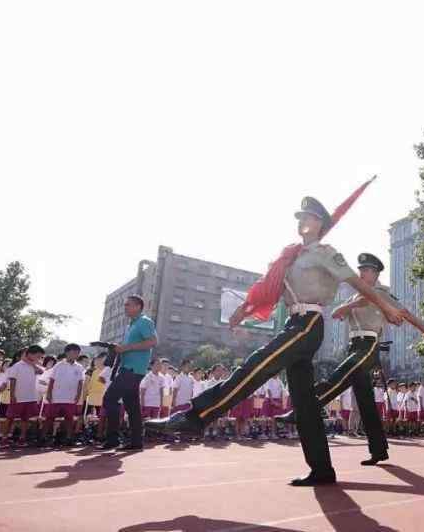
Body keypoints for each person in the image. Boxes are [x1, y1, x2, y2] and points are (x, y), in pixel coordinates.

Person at [147, 196, 405, 486]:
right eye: (299, 217)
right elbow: (268, 289)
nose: (301, 222)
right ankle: (322, 469)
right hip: (293, 321)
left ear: (320, 223)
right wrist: (243, 312)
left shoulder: (326, 252)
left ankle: (197, 416)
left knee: (258, 364)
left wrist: (386, 307)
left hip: (309, 324)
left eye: (307, 217)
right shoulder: (291, 256)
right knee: (305, 403)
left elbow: (356, 283)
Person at [276, 252, 424, 463]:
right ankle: (378, 450)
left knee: (339, 376)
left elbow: (406, 313)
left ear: (375, 274)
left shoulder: (381, 293)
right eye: (360, 270)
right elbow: (335, 314)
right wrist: (353, 305)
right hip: (354, 346)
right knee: (366, 402)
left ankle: (303, 409)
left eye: (366, 270)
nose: (361, 273)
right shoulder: (353, 297)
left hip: (369, 346)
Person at [100, 295, 158, 451]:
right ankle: (136, 442)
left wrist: (125, 348)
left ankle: (113, 439)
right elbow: (130, 346)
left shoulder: (144, 321)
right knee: (132, 406)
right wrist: (118, 348)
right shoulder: (131, 325)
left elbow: (152, 342)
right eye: (125, 305)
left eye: (128, 305)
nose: (125, 307)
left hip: (133, 369)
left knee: (109, 399)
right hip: (128, 368)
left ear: (138, 306)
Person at [0, 345, 45, 448]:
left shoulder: (34, 366)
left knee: (26, 419)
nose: (39, 359)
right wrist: (12, 396)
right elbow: (13, 381)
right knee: (10, 418)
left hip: (30, 397)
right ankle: (4, 439)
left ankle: (22, 438)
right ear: (30, 354)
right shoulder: (17, 366)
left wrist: (32, 363)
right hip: (18, 397)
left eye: (41, 357)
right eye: (38, 356)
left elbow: (42, 371)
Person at [44, 344, 86, 446]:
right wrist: (49, 393)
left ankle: (68, 438)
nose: (76, 355)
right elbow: (51, 380)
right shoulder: (58, 365)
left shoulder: (79, 367)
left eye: (78, 353)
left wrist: (78, 395)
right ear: (67, 353)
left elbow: (80, 383)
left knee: (69, 419)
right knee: (50, 418)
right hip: (56, 396)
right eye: (74, 352)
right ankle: (44, 437)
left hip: (70, 397)